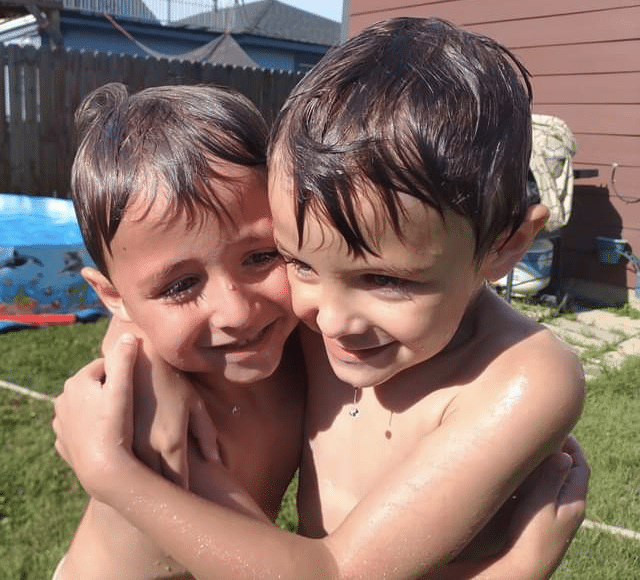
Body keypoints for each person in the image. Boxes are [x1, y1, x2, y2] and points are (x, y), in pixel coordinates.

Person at [54, 18, 589, 579]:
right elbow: (152, 289)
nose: (327, 319)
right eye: (298, 261)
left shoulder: (523, 380)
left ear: (505, 248)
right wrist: (135, 352)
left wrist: (110, 470)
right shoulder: (290, 320)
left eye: (387, 280)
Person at [53, 82, 304, 579]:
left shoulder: (305, 343)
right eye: (180, 285)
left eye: (261, 256)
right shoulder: (160, 422)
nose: (236, 310)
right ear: (114, 299)